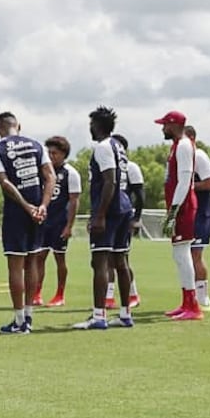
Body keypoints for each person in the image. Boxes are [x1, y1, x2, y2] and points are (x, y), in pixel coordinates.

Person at [0, 111, 55, 334]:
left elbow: (4, 182)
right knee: (33, 262)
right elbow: (50, 176)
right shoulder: (37, 145)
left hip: (18, 211)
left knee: (15, 265)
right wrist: (43, 205)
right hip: (39, 208)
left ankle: (18, 321)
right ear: (19, 126)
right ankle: (28, 316)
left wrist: (26, 206)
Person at [74, 108, 134, 330]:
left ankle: (99, 316)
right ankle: (125, 314)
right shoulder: (118, 146)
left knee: (100, 261)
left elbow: (110, 181)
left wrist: (99, 215)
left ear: (97, 125)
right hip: (124, 207)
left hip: (111, 210)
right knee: (121, 261)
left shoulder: (102, 147)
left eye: (91, 124)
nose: (89, 128)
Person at [155, 110, 202, 320]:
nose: (163, 129)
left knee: (182, 254)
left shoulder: (183, 146)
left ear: (174, 125)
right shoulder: (177, 146)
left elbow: (184, 181)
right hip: (178, 205)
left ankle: (193, 305)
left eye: (165, 125)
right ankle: (186, 301)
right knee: (178, 254)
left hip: (183, 206)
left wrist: (174, 211)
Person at [35, 136, 81, 308]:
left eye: (55, 153)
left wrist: (69, 226)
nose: (51, 156)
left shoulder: (70, 173)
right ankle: (37, 294)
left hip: (60, 222)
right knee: (39, 257)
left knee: (59, 258)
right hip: (43, 222)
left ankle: (60, 295)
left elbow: (74, 201)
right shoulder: (44, 172)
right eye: (49, 153)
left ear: (63, 154)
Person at [111, 133, 145, 309]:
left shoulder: (131, 167)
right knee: (105, 258)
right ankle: (108, 296)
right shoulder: (106, 165)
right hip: (109, 216)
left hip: (124, 216)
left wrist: (136, 219)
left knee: (122, 258)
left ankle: (133, 294)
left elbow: (139, 195)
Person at [184, 124, 210, 311]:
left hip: (200, 214)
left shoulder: (200, 157)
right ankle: (189, 297)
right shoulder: (181, 158)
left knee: (196, 254)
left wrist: (189, 186)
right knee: (184, 256)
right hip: (186, 215)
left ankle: (203, 298)